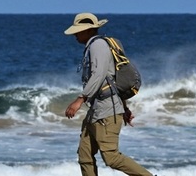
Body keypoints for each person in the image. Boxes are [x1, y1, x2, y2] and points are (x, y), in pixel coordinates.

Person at [64, 12, 155, 176]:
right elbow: (113, 81)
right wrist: (124, 108)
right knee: (85, 155)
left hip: (106, 112)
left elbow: (98, 75)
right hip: (96, 111)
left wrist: (80, 99)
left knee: (111, 157)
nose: (75, 35)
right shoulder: (94, 46)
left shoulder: (97, 46)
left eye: (78, 31)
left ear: (88, 30)